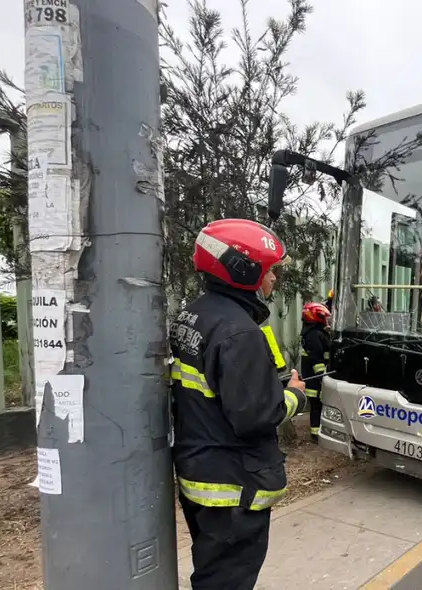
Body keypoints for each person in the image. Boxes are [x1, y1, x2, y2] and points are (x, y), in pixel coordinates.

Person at [170, 218, 309, 589]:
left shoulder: (194, 314)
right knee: (226, 581)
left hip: (201, 474)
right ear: (243, 270)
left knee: (213, 571)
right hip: (232, 486)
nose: (274, 278)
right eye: (270, 270)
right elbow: (256, 416)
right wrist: (294, 394)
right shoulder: (239, 331)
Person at [300, 301, 332, 443]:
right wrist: (322, 377)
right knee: (316, 406)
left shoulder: (314, 332)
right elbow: (317, 359)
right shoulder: (313, 335)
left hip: (315, 378)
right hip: (316, 379)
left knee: (318, 406)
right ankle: (316, 434)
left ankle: (319, 432)